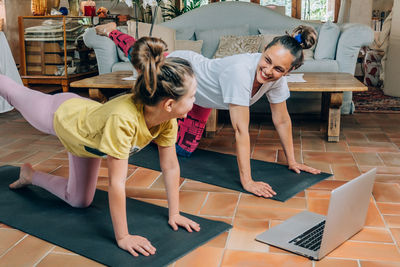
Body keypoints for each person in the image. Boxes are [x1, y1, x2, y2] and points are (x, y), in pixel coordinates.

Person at [0, 36, 200, 257]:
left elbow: (170, 167)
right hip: (58, 114)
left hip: (86, 140)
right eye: (192, 96)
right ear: (169, 104)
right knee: (14, 92)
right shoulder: (123, 120)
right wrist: (123, 237)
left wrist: (175, 214)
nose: (195, 101)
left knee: (79, 201)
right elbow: (117, 182)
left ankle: (30, 176)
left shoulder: (167, 121)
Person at [96, 23, 321, 199]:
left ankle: (159, 133)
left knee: (183, 151)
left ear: (289, 71)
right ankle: (115, 32)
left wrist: (292, 161)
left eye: (278, 68)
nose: (268, 70)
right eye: (267, 60)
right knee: (144, 57)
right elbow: (241, 131)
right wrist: (248, 181)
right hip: (184, 70)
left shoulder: (276, 79)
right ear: (263, 51)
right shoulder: (240, 72)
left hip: (203, 101)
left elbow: (281, 119)